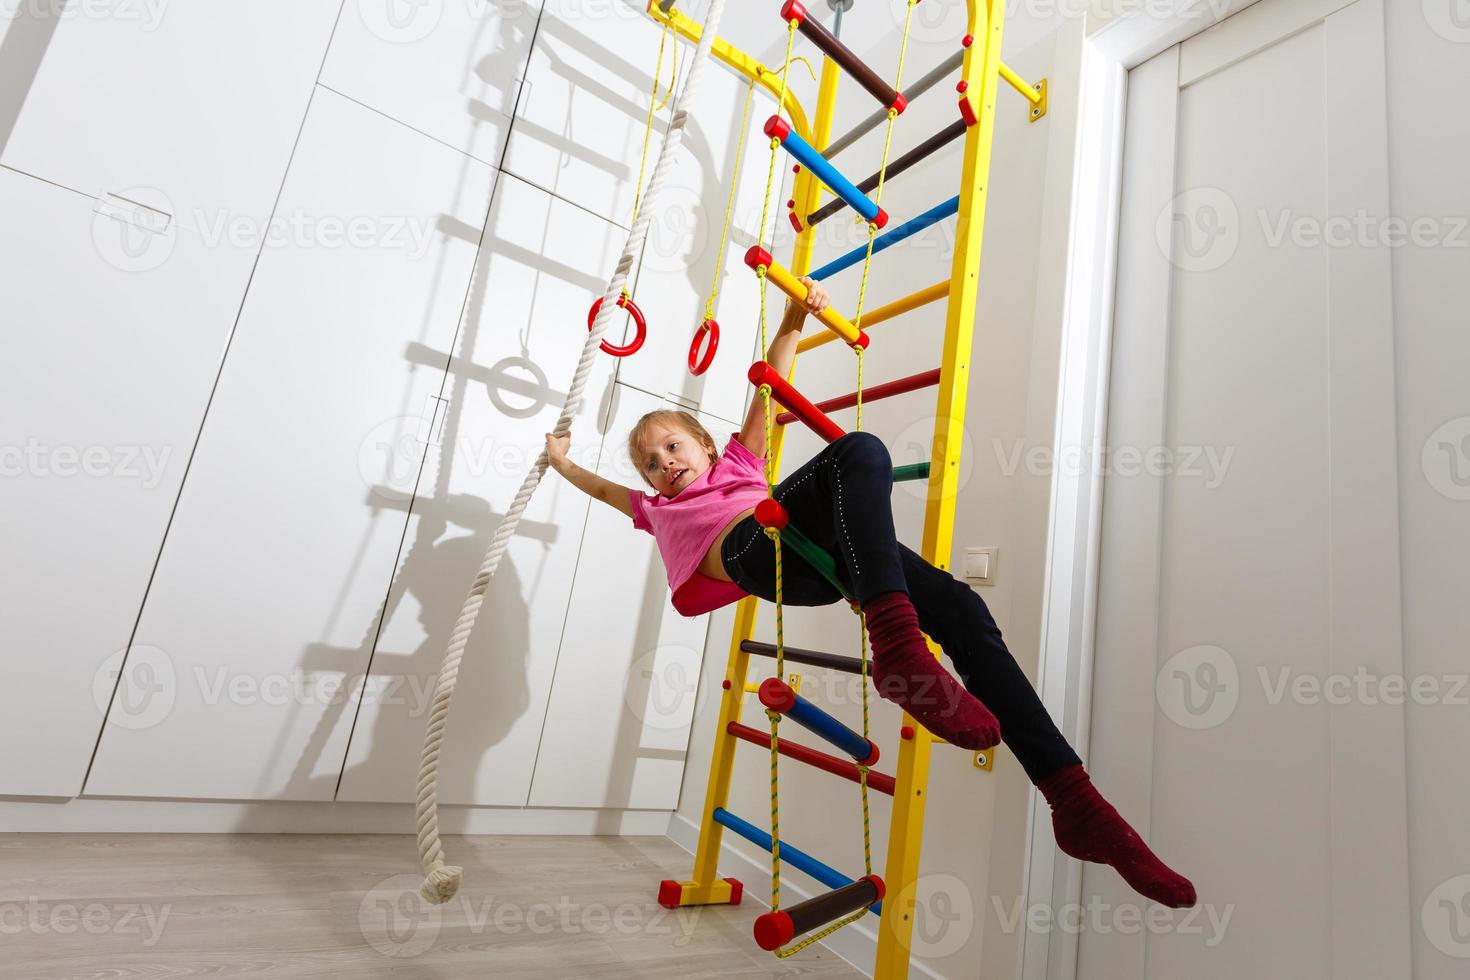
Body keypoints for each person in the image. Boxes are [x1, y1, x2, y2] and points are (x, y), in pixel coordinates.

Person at [546, 279, 1196, 908]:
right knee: (858, 450)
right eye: (651, 464)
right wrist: (564, 462)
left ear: (706, 444)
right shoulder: (660, 511)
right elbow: (605, 491)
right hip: (755, 554)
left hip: (819, 560)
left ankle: (1075, 800)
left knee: (963, 609)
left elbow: (772, 385)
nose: (664, 463)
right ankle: (898, 646)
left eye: (671, 445)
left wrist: (797, 313)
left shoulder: (741, 462)